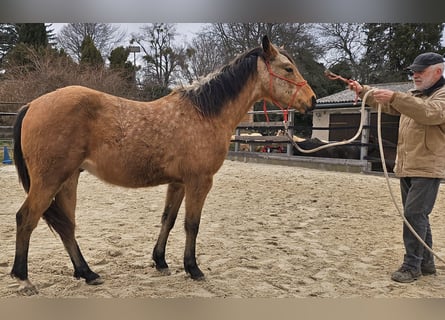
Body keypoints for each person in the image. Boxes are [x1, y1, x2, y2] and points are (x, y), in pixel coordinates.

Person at [349, 52, 445, 283]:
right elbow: (392, 105)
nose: (415, 75)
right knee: (417, 216)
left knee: (414, 214)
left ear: (438, 72)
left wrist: (395, 98)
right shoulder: (415, 95)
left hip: (428, 165)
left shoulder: (441, 96)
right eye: (414, 71)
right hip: (409, 164)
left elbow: (430, 114)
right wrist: (364, 91)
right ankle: (426, 262)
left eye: (420, 71)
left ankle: (412, 266)